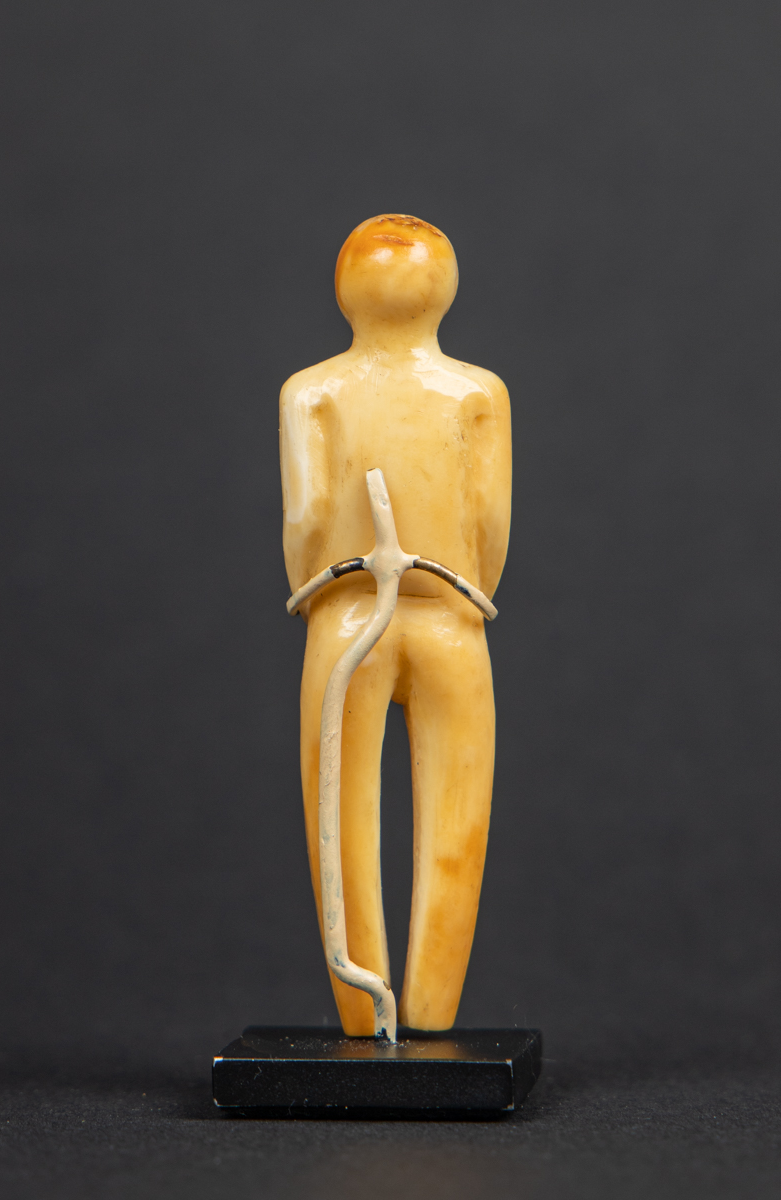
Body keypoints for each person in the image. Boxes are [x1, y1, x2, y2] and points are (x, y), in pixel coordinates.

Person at [280, 214, 511, 1034]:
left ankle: (359, 1008)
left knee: (340, 814)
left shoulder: (312, 393)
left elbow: (307, 518)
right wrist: (470, 594)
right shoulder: (477, 394)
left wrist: (314, 590)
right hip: (452, 614)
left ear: (346, 290)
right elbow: (489, 522)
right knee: (457, 815)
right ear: (444, 291)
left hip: (345, 614)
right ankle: (434, 1009)